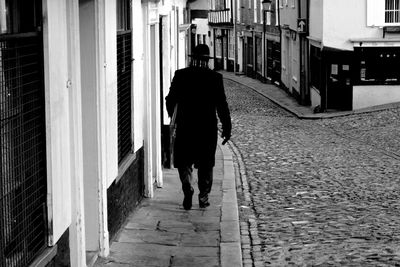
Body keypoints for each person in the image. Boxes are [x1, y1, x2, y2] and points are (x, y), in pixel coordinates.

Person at [166, 44, 232, 210]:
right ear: (207, 60)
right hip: (206, 128)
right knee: (206, 164)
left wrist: (173, 116)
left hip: (185, 126)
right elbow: (222, 105)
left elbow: (170, 99)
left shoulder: (180, 75)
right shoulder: (215, 78)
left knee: (184, 161)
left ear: (192, 58)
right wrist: (227, 128)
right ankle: (203, 196)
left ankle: (187, 186)